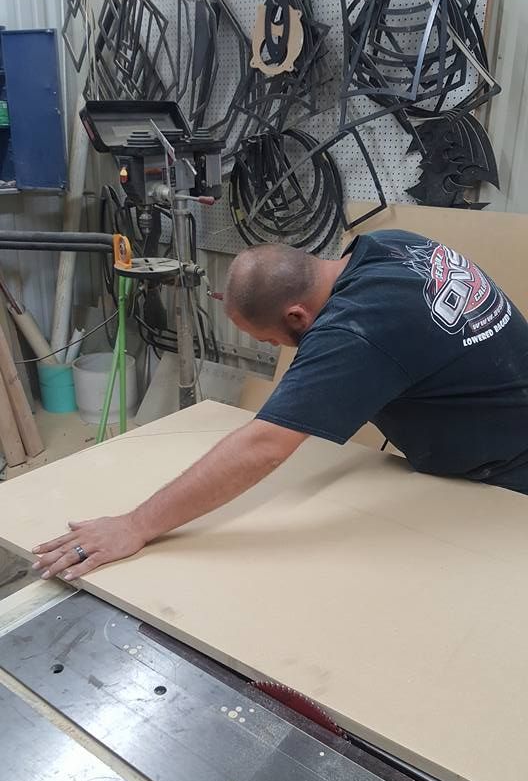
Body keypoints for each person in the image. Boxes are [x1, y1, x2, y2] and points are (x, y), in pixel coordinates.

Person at [33, 230, 528, 582]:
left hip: (506, 477)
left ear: (297, 314)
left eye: (274, 339)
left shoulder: (354, 330)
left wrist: (134, 525)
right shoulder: (391, 244)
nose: (282, 350)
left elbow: (265, 445)